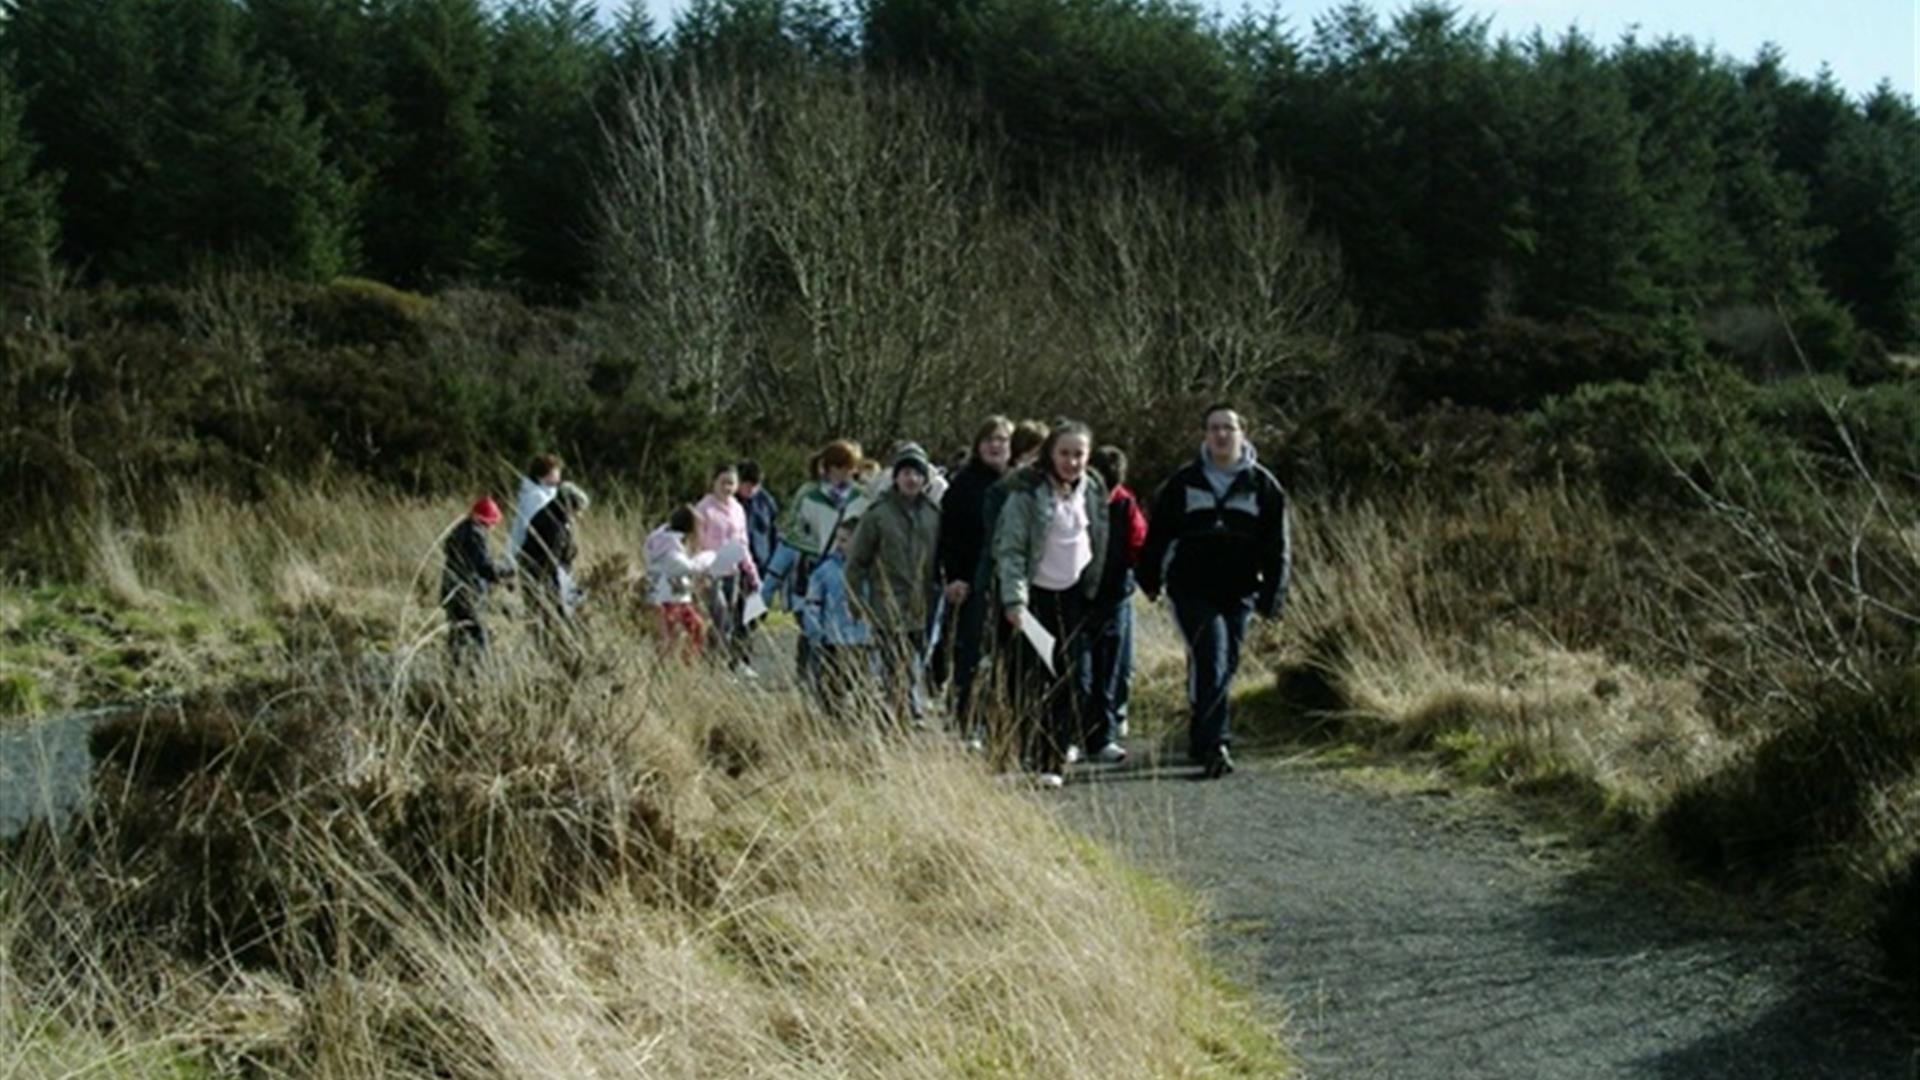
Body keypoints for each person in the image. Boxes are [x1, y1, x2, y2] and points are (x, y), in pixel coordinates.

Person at [1138, 403, 1291, 780]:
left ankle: (1199, 732)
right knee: (1212, 656)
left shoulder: (1264, 486)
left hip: (1239, 591)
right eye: (1213, 428)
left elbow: (1277, 547)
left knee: (1226, 663)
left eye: (1228, 428)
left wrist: (1273, 597)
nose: (1221, 435)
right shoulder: (1183, 482)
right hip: (1191, 588)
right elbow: (1158, 535)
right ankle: (1215, 743)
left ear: (1243, 433)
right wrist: (1150, 580)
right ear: (1204, 434)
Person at [992, 420, 1109, 787]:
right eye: (1064, 453)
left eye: (1079, 454)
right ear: (1050, 454)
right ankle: (1019, 756)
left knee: (1073, 681)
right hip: (1033, 598)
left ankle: (1052, 761)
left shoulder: (1092, 488)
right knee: (1027, 681)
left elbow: (1101, 537)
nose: (1071, 462)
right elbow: (1010, 549)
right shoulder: (1026, 493)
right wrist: (1014, 601)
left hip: (1075, 597)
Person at [846, 446, 942, 727]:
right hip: (887, 600)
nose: (911, 479)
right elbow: (857, 560)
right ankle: (897, 712)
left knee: (918, 658)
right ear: (896, 478)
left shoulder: (934, 514)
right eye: (906, 473)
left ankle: (906, 703)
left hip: (923, 602)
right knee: (893, 659)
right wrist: (855, 599)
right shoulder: (878, 514)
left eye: (917, 474)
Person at [766, 440, 870, 684]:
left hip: (845, 570)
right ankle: (806, 682)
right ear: (828, 467)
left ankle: (832, 685)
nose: (845, 473)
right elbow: (791, 533)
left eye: (850, 468)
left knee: (839, 637)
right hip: (811, 571)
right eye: (840, 467)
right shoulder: (808, 494)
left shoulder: (861, 497)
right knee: (811, 630)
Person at [937, 416, 1014, 740]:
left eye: (1002, 440)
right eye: (988, 440)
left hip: (1010, 585)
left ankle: (1002, 724)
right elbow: (948, 536)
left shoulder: (1020, 484)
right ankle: (967, 724)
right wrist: (954, 577)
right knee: (972, 657)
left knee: (1009, 660)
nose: (995, 446)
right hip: (970, 584)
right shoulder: (963, 486)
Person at [1087, 446, 1148, 760]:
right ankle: (1073, 734)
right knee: (1080, 672)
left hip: (1114, 596)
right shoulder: (1076, 501)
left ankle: (1103, 736)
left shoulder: (1126, 505)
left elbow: (1139, 544)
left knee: (1110, 671)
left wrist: (1146, 580)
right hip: (1079, 595)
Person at [694, 463, 762, 675]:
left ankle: (719, 665)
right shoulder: (704, 508)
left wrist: (752, 572)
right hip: (710, 572)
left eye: (731, 483)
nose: (727, 487)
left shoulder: (738, 509)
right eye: (723, 482)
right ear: (713, 482)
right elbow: (695, 542)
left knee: (729, 621)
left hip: (732, 571)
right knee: (718, 615)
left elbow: (742, 543)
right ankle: (708, 662)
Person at [803, 517, 873, 716]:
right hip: (832, 639)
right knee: (832, 689)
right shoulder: (826, 570)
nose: (840, 544)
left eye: (845, 540)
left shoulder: (873, 571)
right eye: (839, 539)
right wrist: (815, 631)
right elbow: (813, 602)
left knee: (863, 687)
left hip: (862, 639)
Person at [441, 496, 508, 668]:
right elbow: (483, 567)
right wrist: (505, 572)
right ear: (486, 520)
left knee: (457, 634)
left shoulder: (460, 530)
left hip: (452, 590)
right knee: (479, 636)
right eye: (493, 522)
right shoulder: (475, 535)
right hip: (467, 593)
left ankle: (453, 669)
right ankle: (480, 670)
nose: (493, 527)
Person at [521, 480, 590, 649]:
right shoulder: (554, 525)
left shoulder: (549, 515)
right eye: (577, 509)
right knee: (551, 629)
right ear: (568, 504)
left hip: (542, 580)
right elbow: (551, 561)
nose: (578, 515)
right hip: (545, 583)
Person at [645, 505, 716, 662]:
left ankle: (683, 664)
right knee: (669, 641)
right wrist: (710, 556)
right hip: (667, 601)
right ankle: (681, 665)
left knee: (696, 628)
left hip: (674, 598)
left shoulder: (662, 540)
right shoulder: (671, 551)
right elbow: (690, 568)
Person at [507, 453, 563, 571]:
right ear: (541, 476)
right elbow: (534, 527)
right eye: (554, 471)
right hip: (532, 554)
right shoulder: (536, 497)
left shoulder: (546, 494)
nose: (558, 474)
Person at [736, 459, 780, 582]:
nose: (751, 490)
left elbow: (773, 534)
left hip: (762, 565)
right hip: (736, 566)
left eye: (755, 486)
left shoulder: (766, 502)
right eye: (747, 485)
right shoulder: (730, 504)